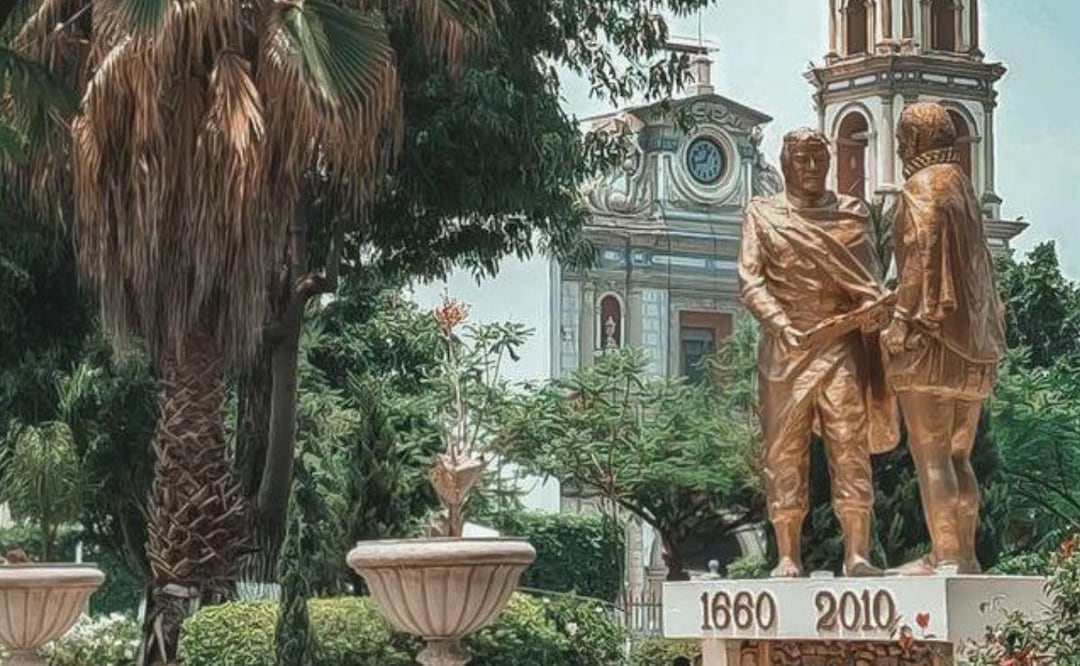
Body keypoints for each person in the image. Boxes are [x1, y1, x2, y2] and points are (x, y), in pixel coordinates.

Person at [738, 128, 898, 578]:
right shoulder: (762, 213)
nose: (811, 167)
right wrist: (781, 325)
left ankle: (857, 554)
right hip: (785, 349)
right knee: (783, 454)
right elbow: (750, 280)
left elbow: (869, 283)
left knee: (850, 445)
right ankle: (788, 556)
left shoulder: (851, 213)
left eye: (818, 159)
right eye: (802, 159)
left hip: (840, 345)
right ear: (785, 164)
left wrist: (874, 311)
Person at [883, 102, 1006, 575]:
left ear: (915, 140)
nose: (899, 148)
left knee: (931, 455)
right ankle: (967, 555)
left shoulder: (921, 185)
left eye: (902, 139)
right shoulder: (962, 187)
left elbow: (921, 254)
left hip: (930, 343)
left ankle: (946, 554)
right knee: (959, 456)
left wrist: (902, 320)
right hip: (973, 348)